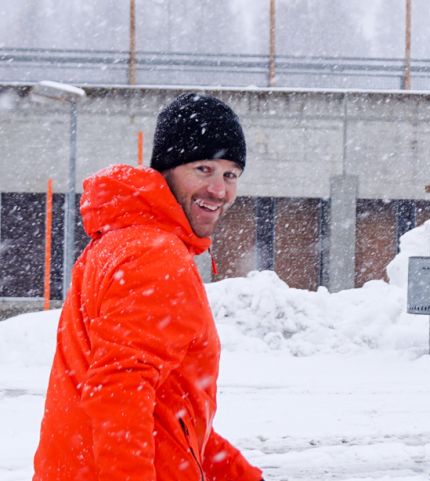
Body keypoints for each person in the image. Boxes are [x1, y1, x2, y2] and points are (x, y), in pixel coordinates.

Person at [33, 93, 264, 481]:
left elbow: (173, 413)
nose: (219, 190)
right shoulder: (154, 256)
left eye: (230, 174)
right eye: (203, 169)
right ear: (167, 170)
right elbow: (118, 393)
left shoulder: (122, 241)